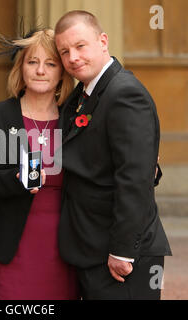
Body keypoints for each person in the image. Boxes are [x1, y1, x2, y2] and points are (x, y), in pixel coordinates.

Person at [54, 10, 172, 299]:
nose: (73, 58)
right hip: (91, 248)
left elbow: (133, 178)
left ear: (103, 41)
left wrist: (122, 250)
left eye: (80, 46)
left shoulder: (125, 94)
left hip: (122, 257)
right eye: (64, 51)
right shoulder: (83, 95)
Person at [0, 28, 80, 300]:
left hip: (64, 246)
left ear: (62, 72)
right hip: (9, 246)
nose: (41, 70)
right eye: (32, 62)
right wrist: (15, 179)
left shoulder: (76, 120)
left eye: (50, 63)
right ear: (21, 68)